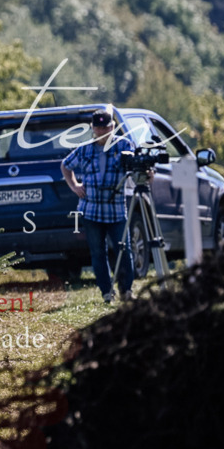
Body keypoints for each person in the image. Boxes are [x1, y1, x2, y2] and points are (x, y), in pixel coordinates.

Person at [60, 107, 136, 304]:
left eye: (106, 127)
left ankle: (126, 289)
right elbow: (65, 165)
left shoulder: (124, 145)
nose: (103, 131)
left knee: (124, 250)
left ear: (113, 127)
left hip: (116, 209)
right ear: (93, 128)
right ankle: (106, 292)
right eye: (99, 128)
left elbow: (136, 169)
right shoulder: (84, 149)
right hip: (91, 210)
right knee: (98, 253)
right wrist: (74, 186)